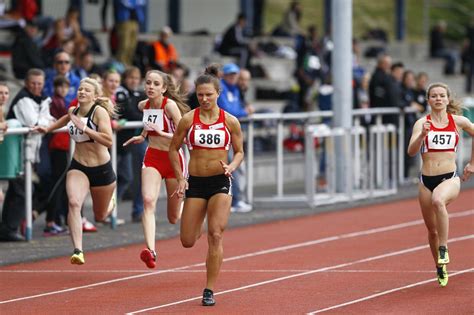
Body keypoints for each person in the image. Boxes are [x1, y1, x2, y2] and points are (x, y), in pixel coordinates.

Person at [168, 64, 244, 306]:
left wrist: (232, 166)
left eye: (208, 94)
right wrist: (181, 176)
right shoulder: (188, 120)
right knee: (188, 240)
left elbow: (240, 151)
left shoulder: (230, 121)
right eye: (200, 94)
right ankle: (198, 219)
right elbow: (173, 148)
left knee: (215, 234)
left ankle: (209, 290)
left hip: (220, 182)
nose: (204, 99)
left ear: (218, 94)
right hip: (196, 183)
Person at [33, 77, 117, 264]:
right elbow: (65, 119)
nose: (82, 92)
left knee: (101, 216)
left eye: (87, 90)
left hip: (101, 170)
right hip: (79, 166)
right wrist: (47, 129)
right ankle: (78, 250)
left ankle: (111, 202)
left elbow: (108, 140)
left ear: (95, 96)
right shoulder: (73, 111)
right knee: (73, 203)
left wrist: (85, 129)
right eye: (80, 89)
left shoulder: (99, 113)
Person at [407, 82, 474, 287]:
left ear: (447, 99)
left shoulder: (459, 121)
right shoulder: (421, 123)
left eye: (441, 95)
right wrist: (422, 136)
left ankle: (444, 249)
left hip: (449, 177)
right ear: (428, 100)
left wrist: (472, 163)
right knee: (432, 230)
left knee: (439, 201)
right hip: (426, 180)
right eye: (434, 96)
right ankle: (439, 266)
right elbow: (411, 151)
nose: (438, 99)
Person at [122, 70, 189, 268]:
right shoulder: (145, 105)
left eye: (156, 84)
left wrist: (162, 133)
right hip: (153, 157)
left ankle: (192, 209)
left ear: (164, 88)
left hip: (173, 159)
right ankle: (151, 251)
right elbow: (149, 122)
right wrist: (142, 136)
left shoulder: (170, 106)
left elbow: (184, 137)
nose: (150, 86)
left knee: (173, 217)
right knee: (148, 201)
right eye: (148, 83)